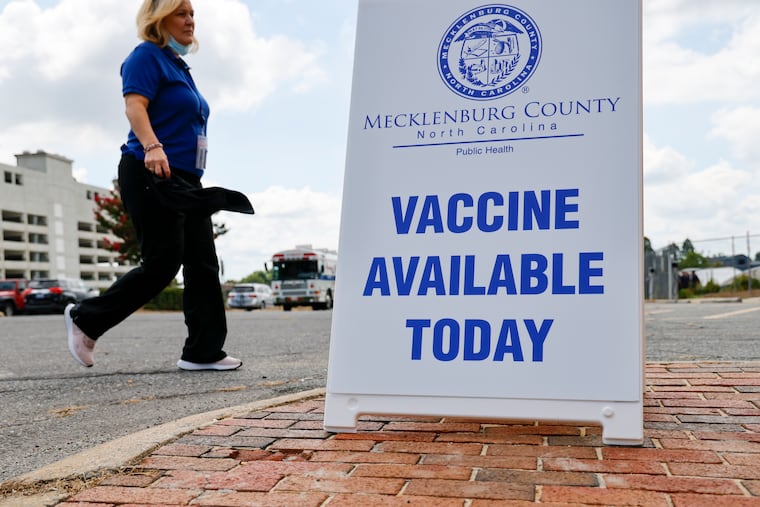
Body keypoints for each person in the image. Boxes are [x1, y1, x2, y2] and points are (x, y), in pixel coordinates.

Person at [65, 0, 251, 371]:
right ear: (158, 18)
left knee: (202, 264)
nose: (190, 20)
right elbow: (135, 105)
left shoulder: (178, 66)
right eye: (181, 13)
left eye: (193, 14)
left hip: (185, 179)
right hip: (150, 170)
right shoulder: (145, 56)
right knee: (163, 263)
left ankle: (202, 351)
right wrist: (153, 146)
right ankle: (86, 319)